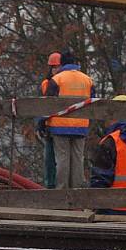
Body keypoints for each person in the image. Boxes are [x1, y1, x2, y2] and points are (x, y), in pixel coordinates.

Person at [42, 51, 95, 189]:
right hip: (81, 126)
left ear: (62, 63)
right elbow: (93, 104)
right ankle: (77, 191)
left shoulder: (57, 79)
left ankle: (61, 192)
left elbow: (47, 104)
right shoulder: (88, 80)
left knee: (62, 160)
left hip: (59, 126)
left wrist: (42, 123)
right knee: (78, 160)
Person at [37, 52, 61, 188]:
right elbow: (40, 105)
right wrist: (39, 124)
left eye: (56, 67)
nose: (54, 70)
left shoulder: (63, 82)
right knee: (49, 162)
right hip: (49, 127)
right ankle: (50, 187)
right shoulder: (45, 84)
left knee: (62, 163)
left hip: (61, 126)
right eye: (52, 67)